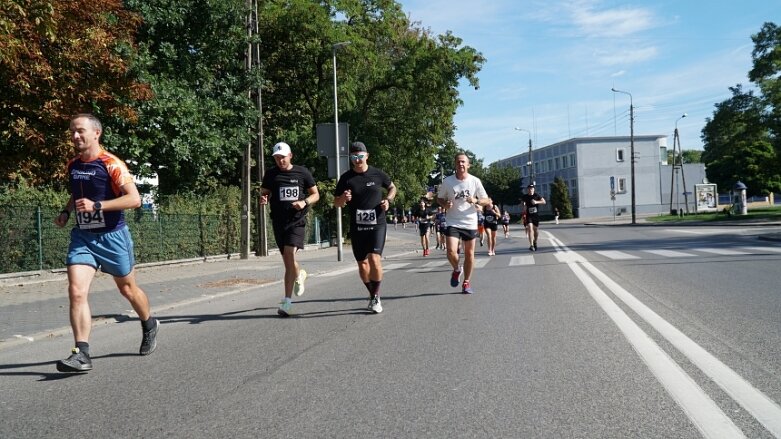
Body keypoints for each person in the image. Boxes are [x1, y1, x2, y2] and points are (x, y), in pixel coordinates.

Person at [53, 114, 159, 373]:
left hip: (113, 236)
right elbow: (77, 194)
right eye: (72, 132)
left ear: (96, 133)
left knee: (128, 290)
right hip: (83, 236)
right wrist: (67, 212)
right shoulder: (73, 165)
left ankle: (149, 323)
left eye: (80, 131)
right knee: (76, 291)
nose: (75, 136)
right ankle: (81, 353)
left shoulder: (112, 164)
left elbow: (134, 199)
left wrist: (97, 205)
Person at [334, 141, 397, 313]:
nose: (357, 159)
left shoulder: (377, 174)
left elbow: (392, 187)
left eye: (360, 156)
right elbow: (336, 203)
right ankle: (373, 295)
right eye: (354, 156)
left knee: (374, 259)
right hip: (358, 226)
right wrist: (344, 199)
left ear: (366, 156)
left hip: (377, 223)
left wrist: (388, 200)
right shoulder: (346, 178)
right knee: (362, 265)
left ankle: (375, 297)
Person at [260, 141, 320, 317]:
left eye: (283, 157)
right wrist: (263, 198)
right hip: (279, 222)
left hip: (297, 221)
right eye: (277, 158)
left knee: (289, 254)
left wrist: (304, 202)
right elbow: (264, 192)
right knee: (288, 260)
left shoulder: (302, 172)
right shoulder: (271, 174)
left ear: (290, 156)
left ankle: (286, 302)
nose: (280, 161)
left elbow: (316, 194)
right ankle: (299, 274)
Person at [437, 152, 492, 294]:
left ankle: (466, 283)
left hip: (470, 222)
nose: (461, 164)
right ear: (455, 164)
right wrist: (445, 204)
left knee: (469, 254)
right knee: (450, 251)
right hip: (452, 221)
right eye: (458, 162)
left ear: (468, 165)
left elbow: (487, 200)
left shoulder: (475, 181)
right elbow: (439, 198)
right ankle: (457, 269)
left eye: (463, 162)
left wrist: (476, 200)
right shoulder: (447, 181)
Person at [521, 184, 546, 251]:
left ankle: (535, 242)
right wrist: (524, 207)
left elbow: (544, 202)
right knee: (530, 228)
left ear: (534, 189)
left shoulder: (536, 195)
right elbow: (523, 204)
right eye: (529, 189)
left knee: (536, 230)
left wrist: (536, 202)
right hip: (529, 215)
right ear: (527, 190)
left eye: (532, 189)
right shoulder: (525, 196)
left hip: (535, 215)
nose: (530, 190)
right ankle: (531, 245)